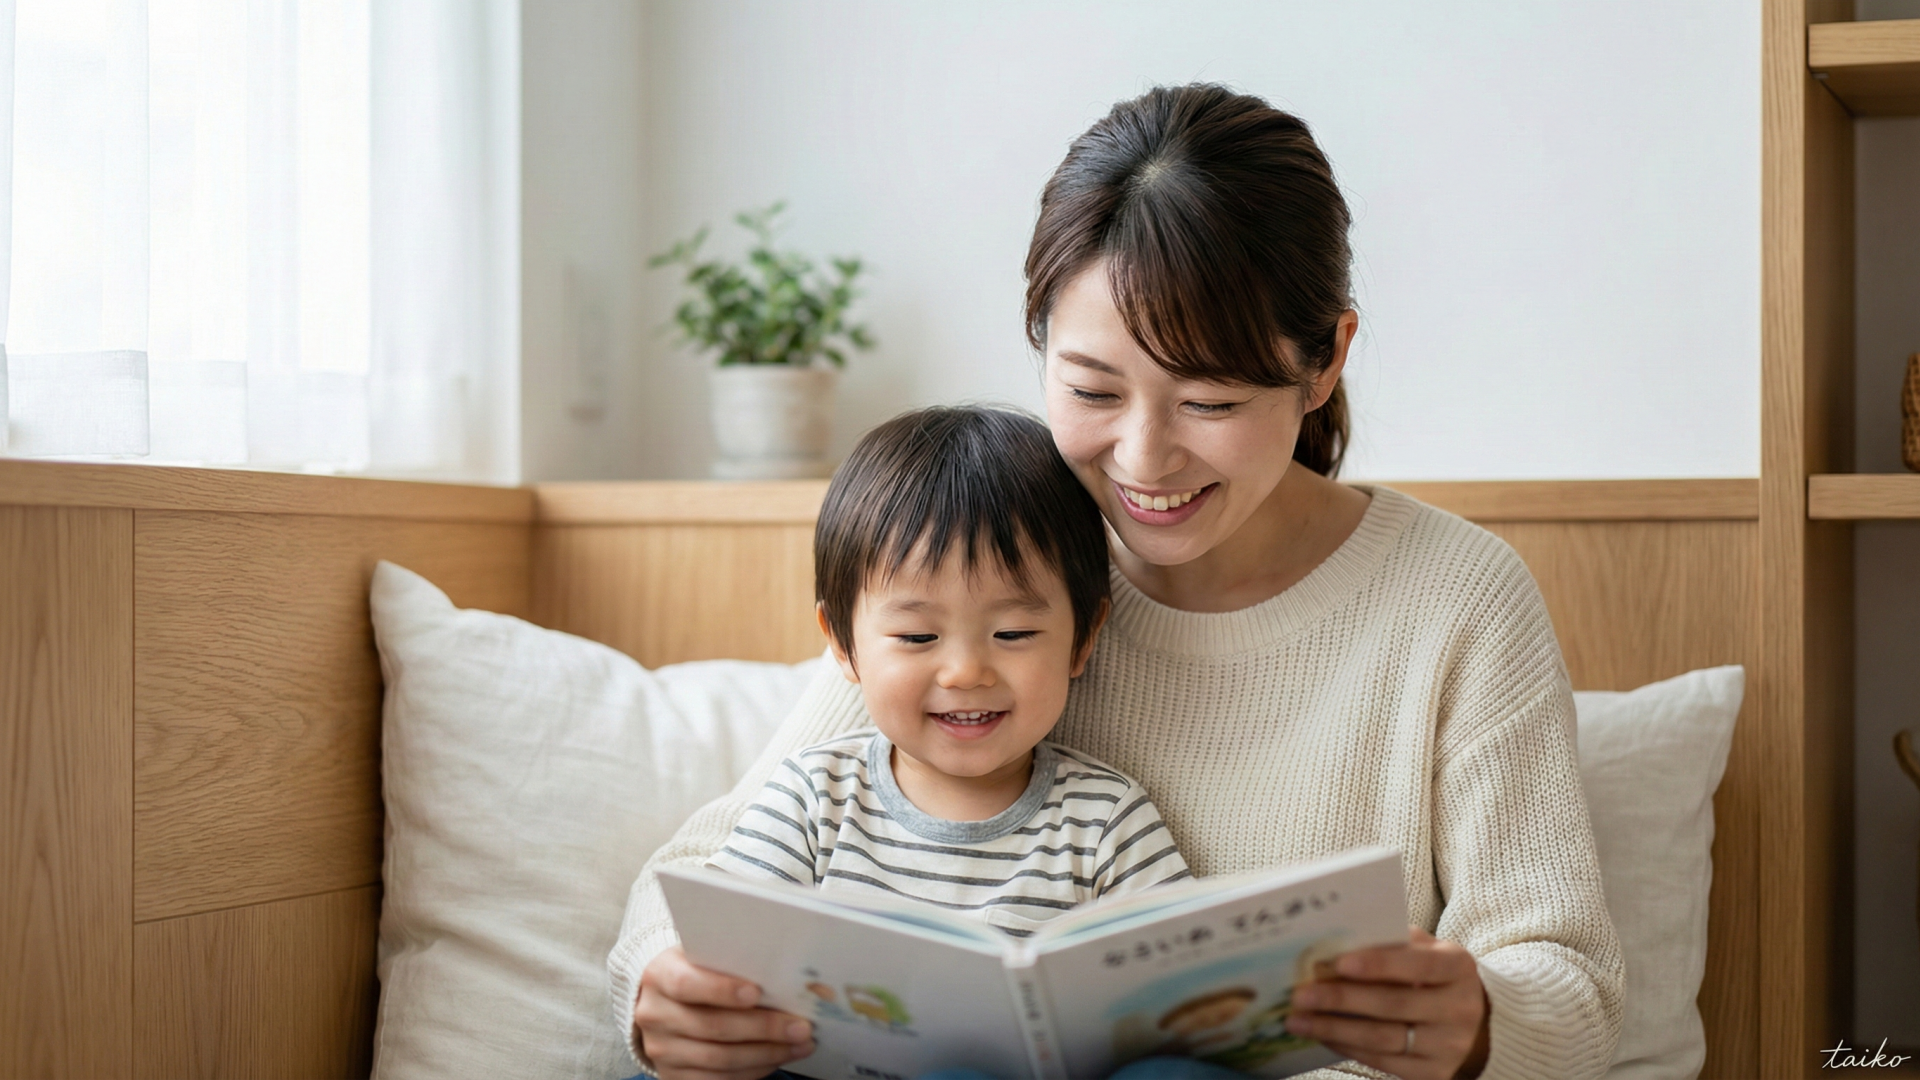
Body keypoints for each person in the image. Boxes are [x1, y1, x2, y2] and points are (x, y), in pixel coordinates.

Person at [610, 83, 1623, 1080]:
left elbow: (1566, 987)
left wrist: (1484, 1023)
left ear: (1324, 363)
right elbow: (706, 875)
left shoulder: (1456, 600)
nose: (1142, 460)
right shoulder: (1004, 559)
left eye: (1210, 399)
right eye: (1093, 389)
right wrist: (668, 988)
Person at [701, 405, 1191, 935]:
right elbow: (720, 946)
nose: (965, 673)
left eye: (1013, 634)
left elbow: (1185, 974)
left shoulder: (1106, 823)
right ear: (842, 645)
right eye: (917, 637)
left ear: (1083, 640)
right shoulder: (815, 799)